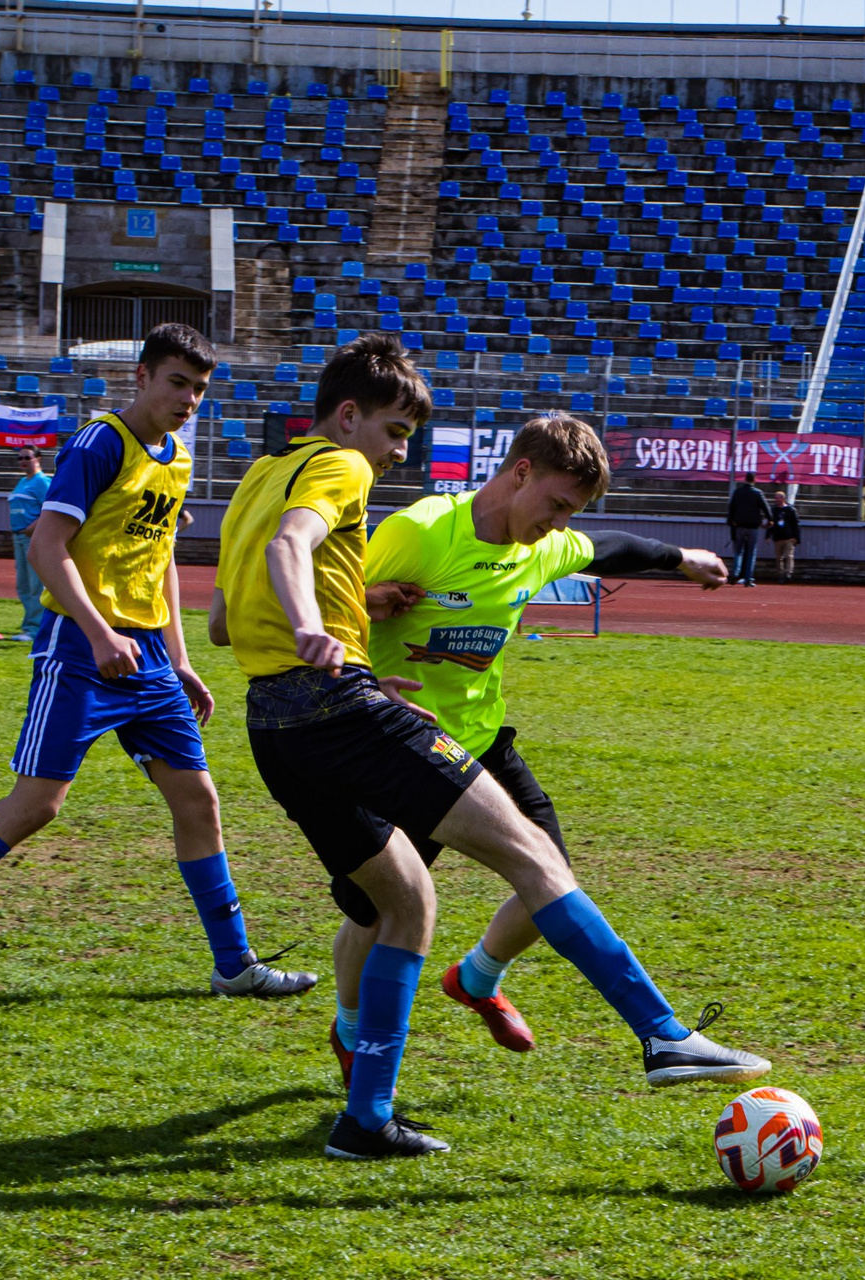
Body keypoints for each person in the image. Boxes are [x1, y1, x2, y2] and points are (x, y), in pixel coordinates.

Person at [213, 336, 767, 1163]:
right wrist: (323, 636)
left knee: (409, 901)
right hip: (344, 712)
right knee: (520, 865)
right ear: (350, 415)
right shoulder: (362, 483)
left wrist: (684, 561)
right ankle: (662, 1034)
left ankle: (367, 1116)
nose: (400, 453)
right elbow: (295, 552)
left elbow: (227, 617)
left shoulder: (260, 474)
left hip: (281, 719)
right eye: (396, 432)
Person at [0, 323, 314, 1007]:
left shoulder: (177, 457)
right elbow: (49, 546)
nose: (190, 398)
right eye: (177, 382)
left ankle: (235, 965)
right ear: (141, 377)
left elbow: (159, 557)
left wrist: (180, 656)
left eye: (200, 389)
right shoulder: (100, 442)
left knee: (199, 801)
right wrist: (99, 630)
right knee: (38, 804)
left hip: (147, 659)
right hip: (81, 651)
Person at [322, 412, 733, 1080]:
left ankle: (476, 978)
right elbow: (320, 604)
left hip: (480, 744)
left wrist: (681, 559)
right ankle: (348, 1026)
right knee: (375, 910)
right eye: (557, 504)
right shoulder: (421, 532)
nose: (561, 524)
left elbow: (610, 548)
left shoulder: (542, 547)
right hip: (400, 747)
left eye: (573, 511)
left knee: (551, 883)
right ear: (520, 473)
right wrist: (365, 603)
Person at [7, 445, 53, 641]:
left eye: (27, 457)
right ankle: (28, 626)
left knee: (35, 585)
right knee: (23, 585)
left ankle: (35, 630)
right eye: (20, 458)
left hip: (32, 538)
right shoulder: (22, 481)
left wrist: (33, 527)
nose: (23, 461)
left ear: (38, 458)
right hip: (18, 538)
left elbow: (51, 508)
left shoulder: (42, 482)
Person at [725, 471, 767, 586]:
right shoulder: (758, 493)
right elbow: (765, 507)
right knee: (751, 553)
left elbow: (731, 507)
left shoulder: (737, 492)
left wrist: (731, 522)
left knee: (738, 552)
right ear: (754, 480)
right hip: (753, 526)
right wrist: (770, 519)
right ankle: (748, 579)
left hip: (739, 525)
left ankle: (735, 573)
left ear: (745, 479)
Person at [767, 482, 801, 583]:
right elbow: (770, 523)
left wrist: (797, 538)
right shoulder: (773, 510)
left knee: (789, 556)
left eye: (778, 498)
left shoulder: (791, 510)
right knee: (778, 558)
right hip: (778, 537)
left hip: (789, 537)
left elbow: (796, 524)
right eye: (775, 498)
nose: (776, 500)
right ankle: (780, 574)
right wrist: (768, 535)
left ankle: (788, 573)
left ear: (783, 498)